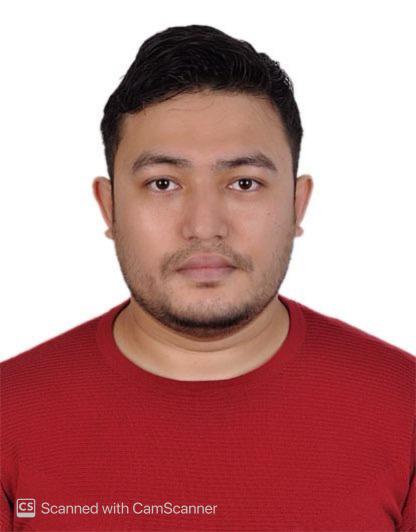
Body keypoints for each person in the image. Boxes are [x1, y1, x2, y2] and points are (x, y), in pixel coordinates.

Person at [1, 24, 414, 532]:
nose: (203, 226)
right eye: (163, 183)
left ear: (297, 203)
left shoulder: (406, 409)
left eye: (244, 183)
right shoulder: (8, 416)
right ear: (109, 207)